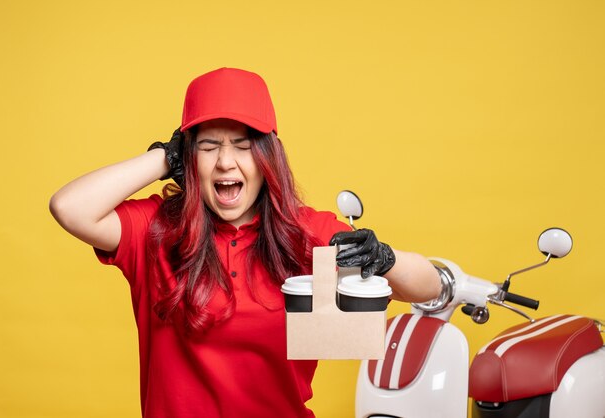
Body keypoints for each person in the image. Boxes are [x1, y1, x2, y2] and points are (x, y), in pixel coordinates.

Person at [49, 67, 441, 418]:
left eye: (242, 145)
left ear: (268, 156)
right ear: (189, 157)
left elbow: (430, 287)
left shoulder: (306, 233)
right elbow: (69, 208)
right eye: (207, 146)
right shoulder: (155, 230)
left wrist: (384, 258)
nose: (225, 162)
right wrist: (165, 157)